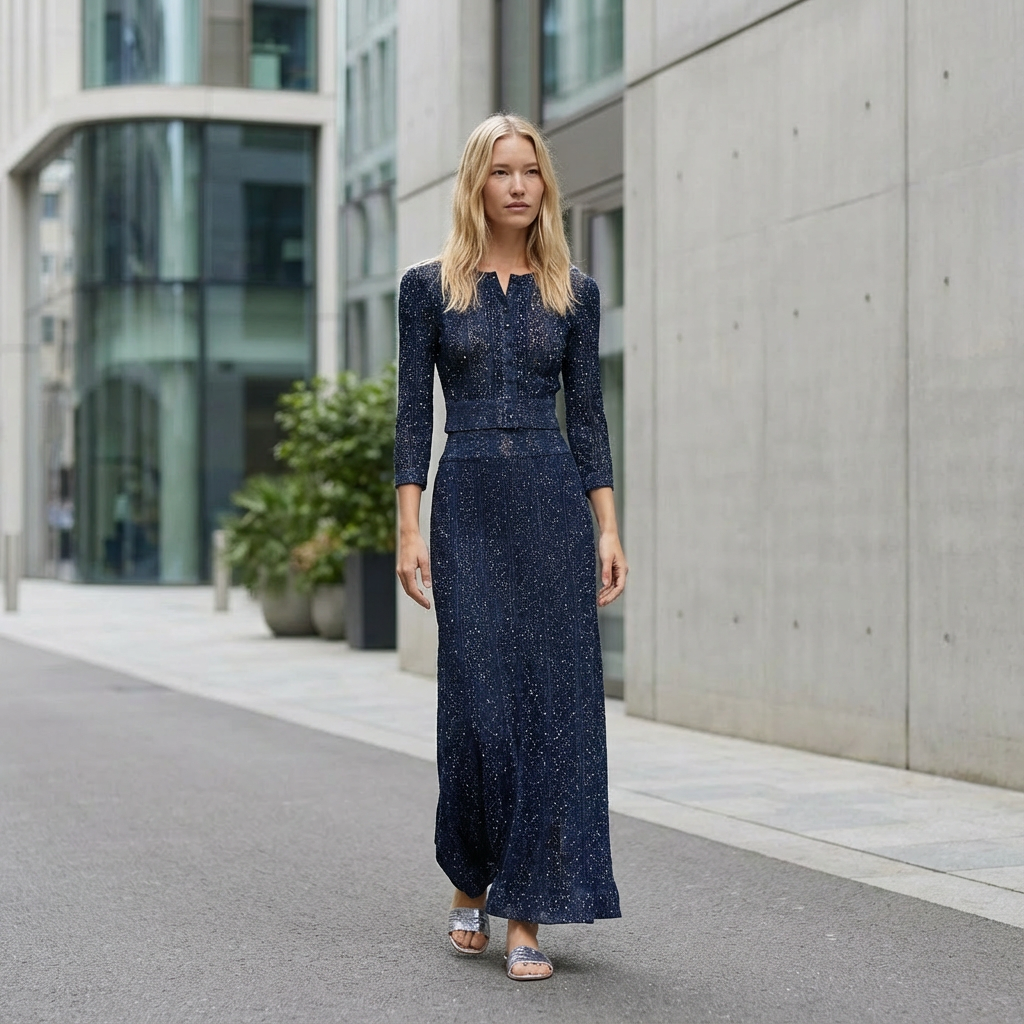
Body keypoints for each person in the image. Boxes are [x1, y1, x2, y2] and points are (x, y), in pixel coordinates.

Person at [394, 113, 627, 982]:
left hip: (551, 509)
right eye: (503, 172)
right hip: (467, 512)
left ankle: (524, 912)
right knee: (478, 711)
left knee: (549, 716)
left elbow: (591, 422)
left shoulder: (574, 291)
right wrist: (407, 526)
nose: (520, 185)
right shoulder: (429, 288)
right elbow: (413, 416)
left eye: (532, 171)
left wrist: (608, 525)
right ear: (477, 184)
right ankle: (470, 877)